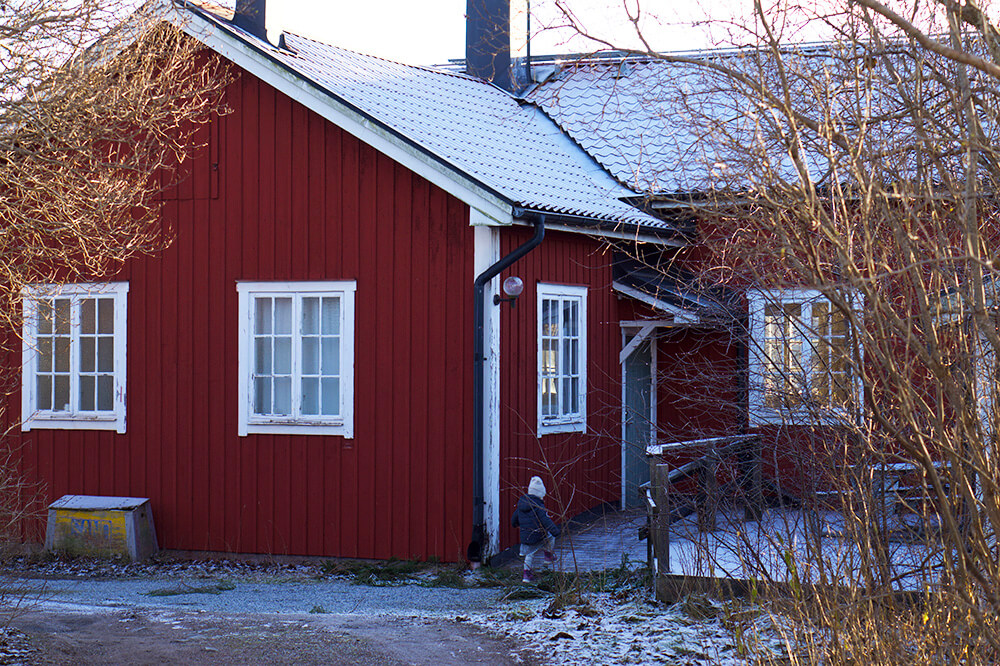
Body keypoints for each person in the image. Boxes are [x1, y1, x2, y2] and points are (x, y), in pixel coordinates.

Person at [511, 475, 561, 582]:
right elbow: (545, 520)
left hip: (525, 536)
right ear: (540, 494)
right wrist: (555, 531)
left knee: (529, 555)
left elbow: (514, 518)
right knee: (551, 537)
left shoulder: (521, 504)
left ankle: (526, 575)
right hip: (537, 535)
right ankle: (548, 555)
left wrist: (515, 524)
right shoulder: (538, 506)